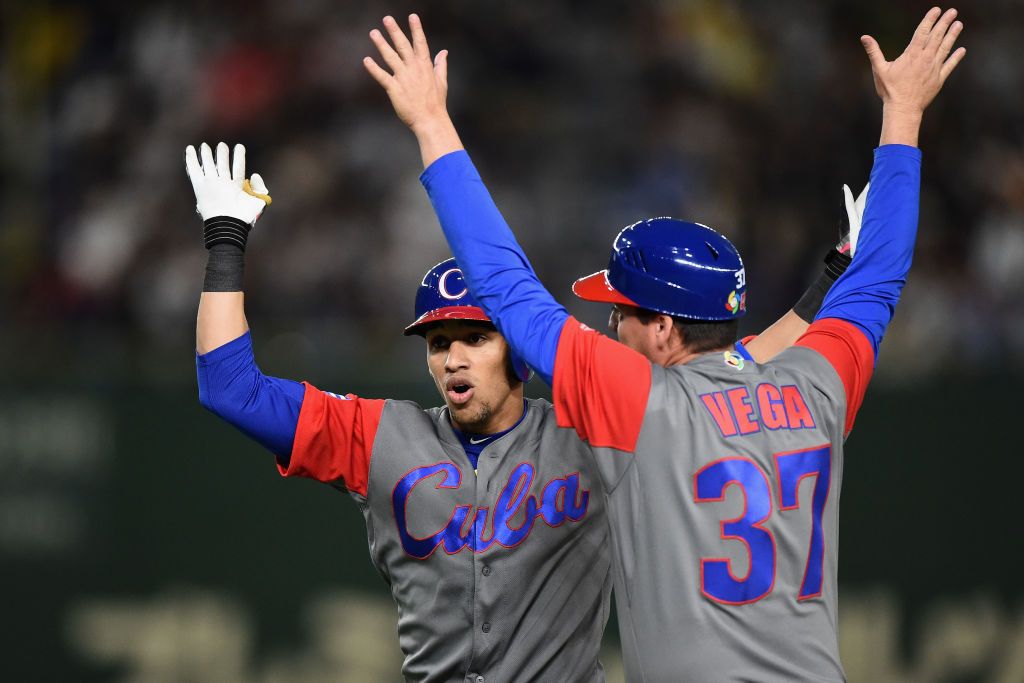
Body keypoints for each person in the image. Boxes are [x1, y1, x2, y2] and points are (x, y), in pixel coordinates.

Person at [365, 7, 964, 681]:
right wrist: (904, 114)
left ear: (662, 327)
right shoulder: (816, 385)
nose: (609, 326)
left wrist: (430, 123)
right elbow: (877, 277)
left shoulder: (638, 405)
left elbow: (505, 287)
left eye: (620, 311)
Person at [185, 140, 862, 682]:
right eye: (438, 341)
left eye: (474, 338)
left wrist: (830, 278)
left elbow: (729, 371)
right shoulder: (379, 436)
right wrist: (225, 243)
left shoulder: (593, 430)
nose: (452, 357)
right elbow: (229, 389)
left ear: (519, 345)